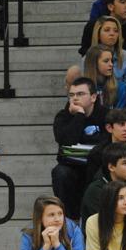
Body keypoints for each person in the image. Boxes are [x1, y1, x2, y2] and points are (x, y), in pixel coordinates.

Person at [50, 77, 107, 220]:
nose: (75, 98)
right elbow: (67, 141)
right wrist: (79, 115)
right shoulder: (63, 117)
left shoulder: (105, 116)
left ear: (93, 97)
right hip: (72, 167)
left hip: (98, 167)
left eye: (80, 94)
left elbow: (107, 145)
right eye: (72, 95)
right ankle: (69, 219)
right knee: (60, 172)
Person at [81, 142, 126, 228]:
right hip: (104, 236)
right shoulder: (95, 191)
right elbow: (103, 225)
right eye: (125, 163)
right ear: (111, 167)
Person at [86, 108, 126, 193]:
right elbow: (93, 183)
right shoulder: (97, 152)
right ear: (109, 128)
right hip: (106, 195)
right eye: (122, 124)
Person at [82, 44, 126, 109]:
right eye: (106, 61)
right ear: (94, 64)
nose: (111, 64)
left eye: (112, 61)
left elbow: (119, 116)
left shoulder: (120, 87)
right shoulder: (81, 88)